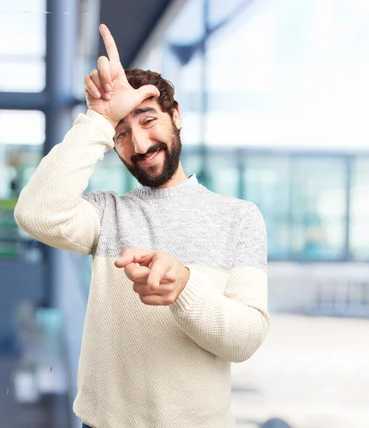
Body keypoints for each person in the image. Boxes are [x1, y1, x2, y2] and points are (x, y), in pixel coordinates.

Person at [14, 23, 269, 428]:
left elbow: (245, 339)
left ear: (177, 116)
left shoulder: (239, 217)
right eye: (122, 134)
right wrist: (98, 119)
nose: (140, 144)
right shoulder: (106, 214)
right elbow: (36, 212)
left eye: (149, 120)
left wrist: (185, 287)